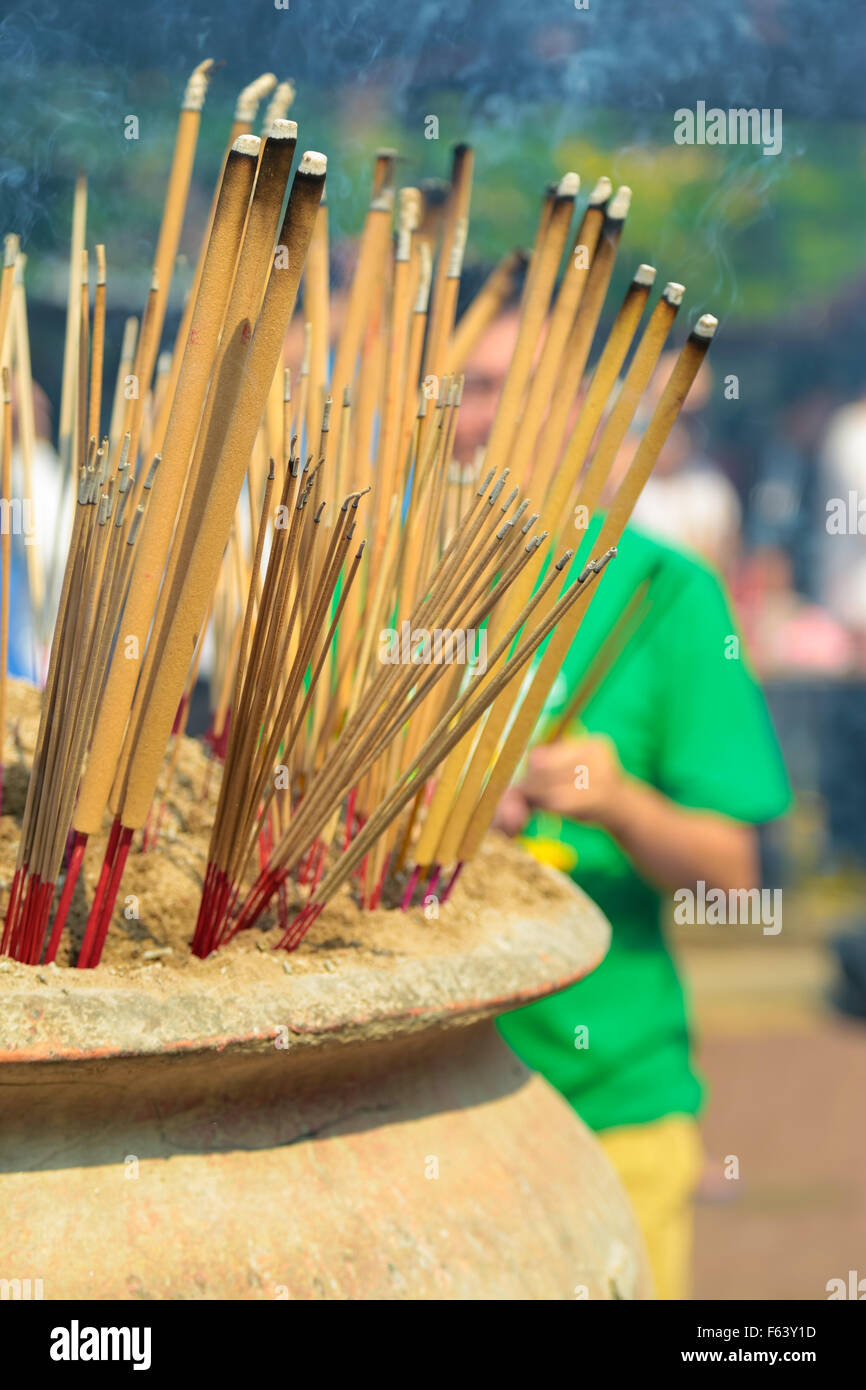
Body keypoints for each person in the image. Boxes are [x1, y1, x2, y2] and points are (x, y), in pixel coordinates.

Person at [457, 308, 791, 1300]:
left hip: (613, 1106)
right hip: (413, 1106)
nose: (485, 419)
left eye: (515, 392)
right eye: (469, 388)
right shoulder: (370, 584)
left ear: (579, 415)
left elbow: (737, 882)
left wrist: (620, 805)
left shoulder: (665, 594)